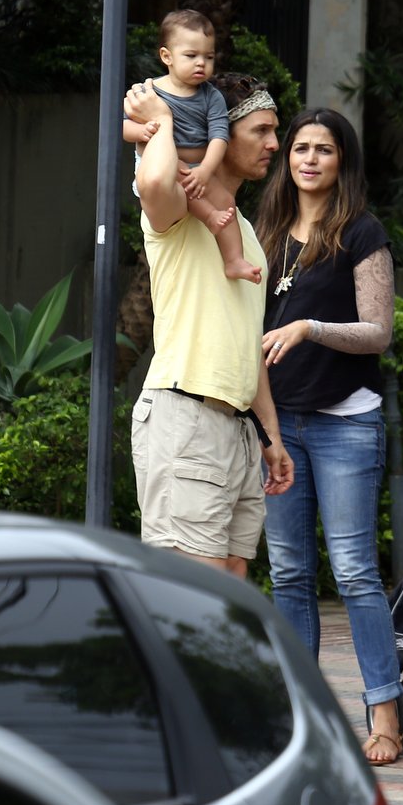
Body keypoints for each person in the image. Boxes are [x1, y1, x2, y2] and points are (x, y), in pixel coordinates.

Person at [255, 107, 403, 766]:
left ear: (343, 161)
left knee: (354, 572)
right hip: (277, 424)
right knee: (289, 573)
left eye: (323, 149)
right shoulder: (264, 231)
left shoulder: (361, 232)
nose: (309, 159)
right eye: (299, 148)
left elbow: (378, 333)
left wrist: (309, 328)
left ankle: (385, 716)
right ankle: (303, 719)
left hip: (345, 420)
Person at [125, 71, 294, 578]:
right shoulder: (182, 207)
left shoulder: (241, 232)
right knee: (197, 592)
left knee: (233, 580)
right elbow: (153, 181)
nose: (274, 144)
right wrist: (163, 118)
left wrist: (271, 436)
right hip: (186, 414)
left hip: (237, 425)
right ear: (217, 131)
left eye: (274, 131)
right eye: (260, 130)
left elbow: (245, 341)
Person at [123, 10, 261, 284]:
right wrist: (142, 131)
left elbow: (219, 137)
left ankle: (234, 260)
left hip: (198, 167)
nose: (201, 63)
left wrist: (206, 170)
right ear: (167, 56)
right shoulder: (150, 93)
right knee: (183, 183)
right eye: (191, 55)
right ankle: (209, 217)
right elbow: (123, 127)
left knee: (226, 201)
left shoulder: (211, 97)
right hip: (163, 164)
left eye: (209, 57)